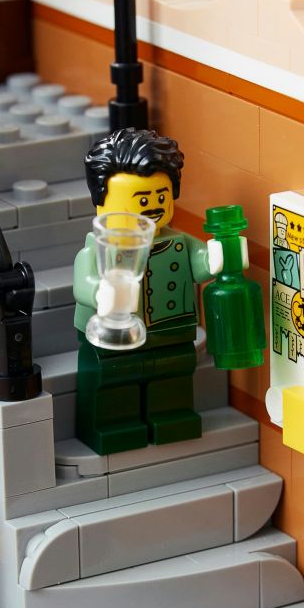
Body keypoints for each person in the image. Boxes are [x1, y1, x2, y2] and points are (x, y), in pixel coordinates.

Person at [73, 129, 224, 455]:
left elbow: (199, 265)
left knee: (174, 371)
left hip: (171, 330)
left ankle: (172, 416)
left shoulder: (177, 240)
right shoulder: (99, 248)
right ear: (102, 203)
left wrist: (213, 258)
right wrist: (100, 293)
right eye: (142, 201)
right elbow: (83, 282)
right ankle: (112, 424)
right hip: (113, 336)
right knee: (113, 378)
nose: (153, 207)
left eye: (161, 197)